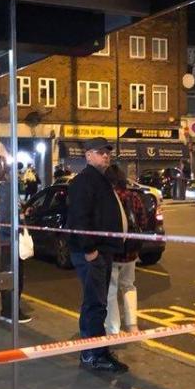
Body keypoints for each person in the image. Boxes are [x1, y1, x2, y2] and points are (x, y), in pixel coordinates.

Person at [67, 137, 129, 373]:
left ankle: (91, 351)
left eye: (107, 152)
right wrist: (90, 249)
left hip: (103, 250)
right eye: (100, 152)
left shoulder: (100, 180)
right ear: (88, 156)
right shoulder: (84, 182)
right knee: (96, 304)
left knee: (94, 304)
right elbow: (79, 218)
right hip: (93, 253)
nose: (106, 155)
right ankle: (96, 354)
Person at [104, 164, 148, 335]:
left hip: (113, 251)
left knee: (111, 290)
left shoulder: (108, 198)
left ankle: (114, 329)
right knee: (129, 286)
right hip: (131, 251)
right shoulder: (133, 197)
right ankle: (132, 326)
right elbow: (143, 222)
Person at [0, 168, 34, 324]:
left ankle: (8, 311)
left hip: (12, 239)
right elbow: (5, 217)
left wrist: (24, 212)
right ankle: (11, 312)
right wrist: (15, 228)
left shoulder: (10, 191)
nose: (17, 176)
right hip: (11, 240)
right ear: (6, 175)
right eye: (14, 173)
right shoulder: (7, 190)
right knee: (14, 277)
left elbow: (13, 213)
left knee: (14, 276)